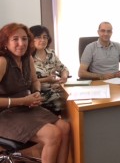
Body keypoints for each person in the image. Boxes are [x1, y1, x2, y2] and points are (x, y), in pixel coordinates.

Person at [0, 23, 70, 163]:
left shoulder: (27, 58)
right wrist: (23, 101)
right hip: (5, 114)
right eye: (15, 39)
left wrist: (37, 92)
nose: (21, 43)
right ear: (5, 42)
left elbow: (34, 81)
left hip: (25, 108)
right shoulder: (2, 62)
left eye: (24, 39)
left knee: (65, 127)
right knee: (53, 134)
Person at [29, 25, 69, 115]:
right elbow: (26, 82)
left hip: (56, 91)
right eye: (38, 37)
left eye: (45, 37)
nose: (42, 40)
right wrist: (46, 80)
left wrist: (64, 76)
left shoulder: (51, 53)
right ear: (31, 39)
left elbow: (63, 68)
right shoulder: (27, 58)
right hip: (39, 96)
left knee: (75, 104)